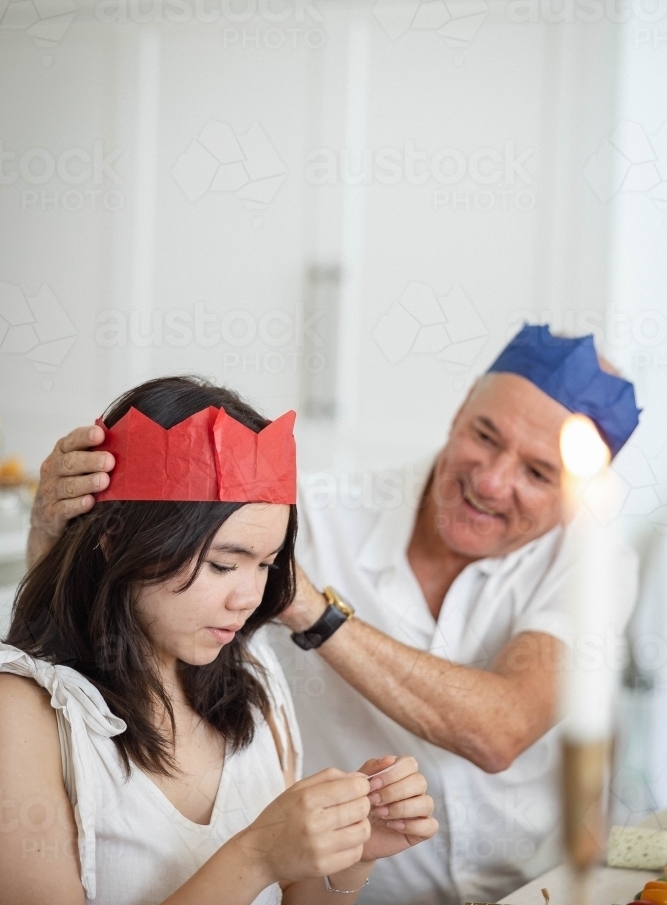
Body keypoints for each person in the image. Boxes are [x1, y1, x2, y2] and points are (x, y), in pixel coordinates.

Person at [25, 325, 642, 905]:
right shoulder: (312, 515)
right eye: (484, 435)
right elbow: (95, 612)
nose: (492, 480)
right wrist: (55, 528)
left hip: (532, 885)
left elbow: (499, 728)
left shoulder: (591, 565)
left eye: (538, 472)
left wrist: (312, 610)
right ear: (457, 413)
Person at [0, 377, 437, 905]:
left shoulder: (252, 678)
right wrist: (256, 856)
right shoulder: (24, 716)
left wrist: (353, 852)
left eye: (267, 565)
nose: (249, 597)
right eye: (223, 564)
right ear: (115, 541)